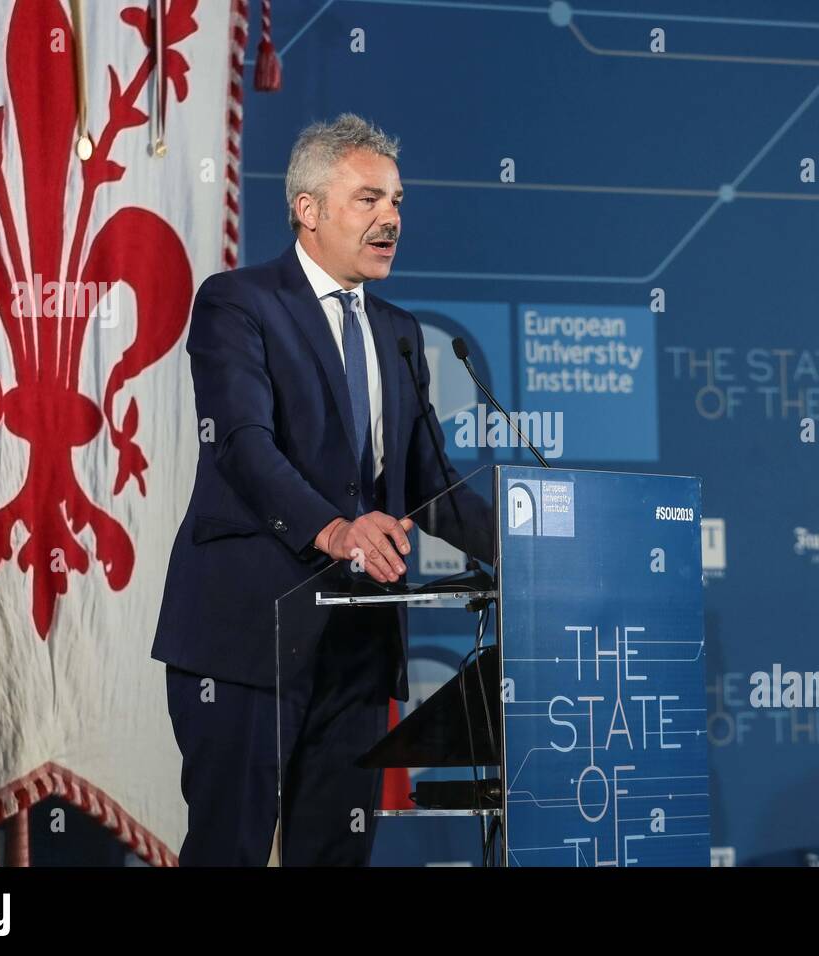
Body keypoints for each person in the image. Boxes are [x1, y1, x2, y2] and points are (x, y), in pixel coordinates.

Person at [152, 113, 491, 866]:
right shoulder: (238, 302)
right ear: (308, 210)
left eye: (398, 201)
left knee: (337, 853)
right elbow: (243, 446)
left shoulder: (400, 330)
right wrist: (334, 529)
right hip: (248, 635)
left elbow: (431, 482)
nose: (392, 219)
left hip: (358, 647)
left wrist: (538, 552)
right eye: (369, 199)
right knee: (228, 850)